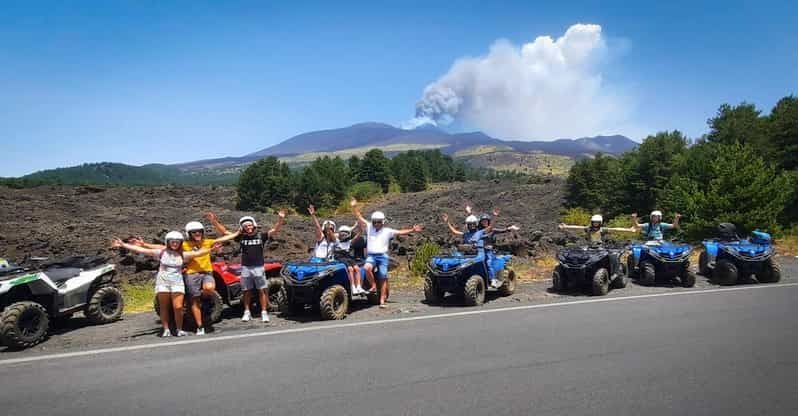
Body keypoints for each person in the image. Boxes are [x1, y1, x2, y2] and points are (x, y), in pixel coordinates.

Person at [131, 221, 240, 335]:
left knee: (209, 288)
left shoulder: (208, 242)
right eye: (194, 232)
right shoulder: (184, 244)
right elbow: (162, 247)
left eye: (199, 231)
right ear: (189, 233)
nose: (197, 233)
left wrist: (238, 232)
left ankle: (203, 299)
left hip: (206, 272)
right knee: (193, 300)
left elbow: (224, 238)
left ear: (202, 232)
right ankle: (198, 325)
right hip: (190, 273)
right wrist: (144, 245)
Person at [112, 232, 219, 337]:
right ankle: (166, 329)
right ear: (168, 242)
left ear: (180, 243)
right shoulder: (161, 252)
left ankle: (179, 329)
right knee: (164, 307)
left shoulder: (183, 254)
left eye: (177, 242)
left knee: (178, 307)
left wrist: (211, 250)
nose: (175, 244)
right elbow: (141, 250)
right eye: (172, 242)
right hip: (163, 282)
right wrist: (123, 244)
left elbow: (198, 253)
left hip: (177, 282)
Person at [207, 210, 285, 323]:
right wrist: (214, 221)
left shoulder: (261, 236)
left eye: (249, 225)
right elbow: (225, 232)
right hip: (246, 268)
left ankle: (264, 312)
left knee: (262, 291)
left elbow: (275, 230)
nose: (248, 227)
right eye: (245, 226)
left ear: (253, 225)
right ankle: (247, 312)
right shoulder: (241, 237)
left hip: (258, 267)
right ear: (242, 227)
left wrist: (281, 219)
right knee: (246, 291)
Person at [350, 198, 423, 308]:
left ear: (383, 222)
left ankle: (382, 300)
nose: (376, 224)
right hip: (372, 256)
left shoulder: (387, 231)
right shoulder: (369, 227)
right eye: (374, 222)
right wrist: (354, 207)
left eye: (378, 222)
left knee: (383, 277)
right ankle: (373, 286)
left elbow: (400, 232)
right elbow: (359, 218)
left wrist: (412, 230)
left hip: (382, 256)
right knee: (366, 268)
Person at [463, 206, 520, 288]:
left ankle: (492, 279)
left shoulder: (492, 230)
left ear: (488, 221)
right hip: (477, 251)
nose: (484, 222)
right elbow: (472, 222)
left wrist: (510, 228)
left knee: (488, 263)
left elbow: (502, 230)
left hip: (488, 250)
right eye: (483, 221)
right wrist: (469, 212)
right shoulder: (478, 230)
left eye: (486, 221)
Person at [335, 223, 367, 294]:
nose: (343, 235)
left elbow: (358, 234)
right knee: (350, 269)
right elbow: (334, 234)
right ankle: (352, 286)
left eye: (345, 234)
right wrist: (353, 226)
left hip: (348, 257)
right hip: (340, 257)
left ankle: (358, 286)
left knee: (357, 268)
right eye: (341, 234)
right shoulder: (336, 241)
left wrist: (360, 227)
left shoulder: (349, 242)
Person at [558, 214, 635, 243]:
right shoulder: (588, 229)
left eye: (597, 222)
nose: (595, 223)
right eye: (594, 222)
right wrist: (565, 226)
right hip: (589, 247)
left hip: (600, 247)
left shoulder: (602, 229)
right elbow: (577, 227)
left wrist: (629, 230)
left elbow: (615, 229)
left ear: (600, 222)